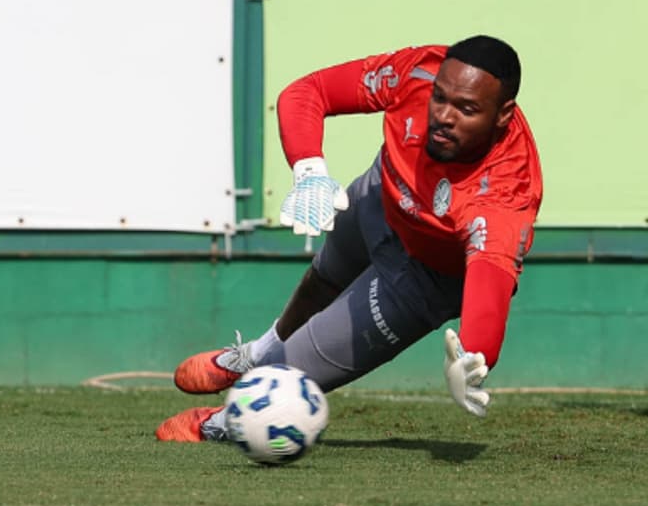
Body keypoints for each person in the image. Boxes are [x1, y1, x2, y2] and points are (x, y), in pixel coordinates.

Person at [156, 35, 542, 441]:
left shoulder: (505, 194)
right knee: (323, 277)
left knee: (294, 374)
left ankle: (229, 421)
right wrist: (309, 169)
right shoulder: (416, 72)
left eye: (466, 109)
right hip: (382, 197)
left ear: (503, 115)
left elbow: (489, 287)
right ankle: (255, 355)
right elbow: (308, 92)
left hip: (425, 276)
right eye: (440, 98)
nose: (444, 116)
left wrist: (473, 356)